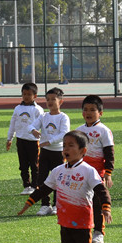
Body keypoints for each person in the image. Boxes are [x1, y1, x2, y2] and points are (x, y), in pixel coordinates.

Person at [18, 130, 112, 243]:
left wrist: (106, 207)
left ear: (83, 150)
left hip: (82, 221)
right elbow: (44, 189)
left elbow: (101, 190)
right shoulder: (58, 171)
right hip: (65, 220)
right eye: (64, 146)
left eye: (71, 145)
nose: (66, 149)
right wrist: (29, 202)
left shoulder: (88, 171)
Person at [76, 95, 114, 243]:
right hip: (81, 173)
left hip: (98, 173)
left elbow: (109, 153)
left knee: (97, 202)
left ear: (100, 113)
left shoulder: (104, 130)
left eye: (92, 110)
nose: (88, 113)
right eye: (85, 109)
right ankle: (83, 230)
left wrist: (108, 173)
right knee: (82, 202)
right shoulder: (79, 131)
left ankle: (98, 232)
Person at [30, 87, 70, 216]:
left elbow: (64, 134)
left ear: (60, 101)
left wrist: (50, 141)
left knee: (59, 178)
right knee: (42, 179)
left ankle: (57, 204)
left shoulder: (63, 117)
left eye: (53, 99)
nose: (50, 102)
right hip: (44, 152)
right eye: (48, 99)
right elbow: (32, 125)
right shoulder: (44, 116)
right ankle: (45, 205)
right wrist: (33, 130)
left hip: (58, 152)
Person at [6, 82, 44, 195]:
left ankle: (35, 185)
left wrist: (42, 137)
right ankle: (26, 185)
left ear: (35, 96)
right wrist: (9, 138)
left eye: (29, 94)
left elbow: (43, 124)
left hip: (33, 141)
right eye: (24, 94)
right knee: (23, 165)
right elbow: (13, 123)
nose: (26, 96)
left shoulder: (38, 109)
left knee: (35, 165)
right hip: (20, 140)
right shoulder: (18, 108)